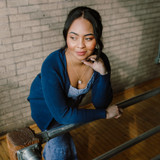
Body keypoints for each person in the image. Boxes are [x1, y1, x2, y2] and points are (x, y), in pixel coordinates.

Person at [27, 6, 122, 160]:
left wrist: (103, 73)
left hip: (68, 107)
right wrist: (104, 115)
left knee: (63, 143)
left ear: (97, 38)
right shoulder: (52, 64)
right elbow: (63, 115)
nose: (80, 45)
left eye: (88, 38)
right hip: (45, 108)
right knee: (61, 148)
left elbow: (100, 103)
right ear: (66, 37)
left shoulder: (99, 61)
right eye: (73, 37)